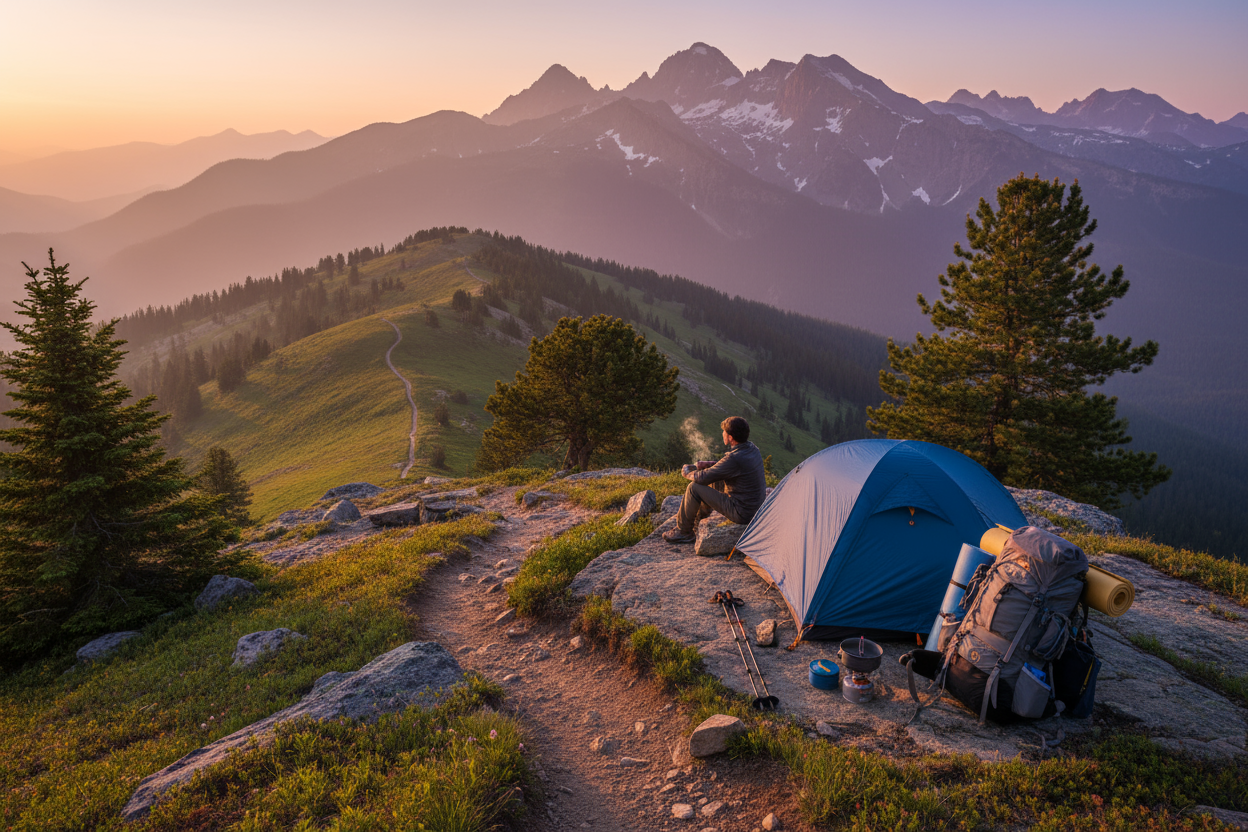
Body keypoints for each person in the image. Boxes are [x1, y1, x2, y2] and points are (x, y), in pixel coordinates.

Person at [662, 416, 766, 545]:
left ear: (730, 437)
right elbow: (726, 468)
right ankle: (699, 517)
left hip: (742, 512)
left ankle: (684, 532)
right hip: (755, 508)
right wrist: (705, 465)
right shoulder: (752, 449)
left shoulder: (734, 458)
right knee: (716, 478)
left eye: (724, 432)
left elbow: (703, 477)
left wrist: (688, 473)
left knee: (694, 488)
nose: (722, 433)